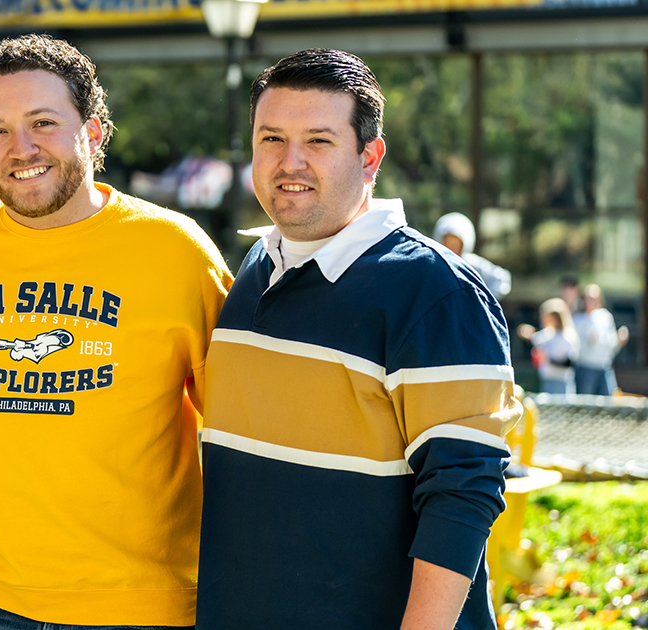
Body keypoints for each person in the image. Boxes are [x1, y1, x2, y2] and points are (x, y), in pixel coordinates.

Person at [0, 34, 233, 628]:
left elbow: (243, 428)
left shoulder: (176, 251)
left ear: (94, 131)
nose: (20, 147)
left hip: (143, 606)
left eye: (43, 122)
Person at [198, 49, 522, 630]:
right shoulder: (254, 266)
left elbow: (463, 494)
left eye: (318, 141)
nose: (288, 162)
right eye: (271, 139)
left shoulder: (436, 291)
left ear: (369, 157)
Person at [433, 211, 512, 299]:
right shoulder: (436, 264)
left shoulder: (471, 263)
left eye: (456, 244)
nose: (452, 248)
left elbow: (501, 278)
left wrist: (484, 301)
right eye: (448, 243)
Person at [572, 284, 629, 395]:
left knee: (608, 403)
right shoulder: (578, 319)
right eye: (588, 298)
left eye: (594, 298)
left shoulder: (606, 317)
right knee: (585, 405)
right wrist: (589, 342)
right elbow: (574, 348)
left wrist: (619, 340)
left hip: (604, 367)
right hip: (585, 368)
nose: (591, 301)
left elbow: (611, 345)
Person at [516, 298, 580, 394]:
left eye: (546, 316)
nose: (542, 319)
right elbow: (535, 338)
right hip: (546, 380)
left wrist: (547, 358)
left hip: (561, 382)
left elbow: (568, 363)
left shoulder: (567, 336)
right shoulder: (547, 333)